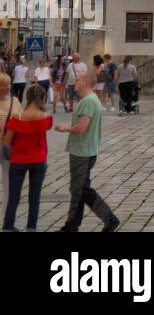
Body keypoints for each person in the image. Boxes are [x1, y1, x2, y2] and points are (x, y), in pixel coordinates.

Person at [52, 73, 120, 232]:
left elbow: (82, 128)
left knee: (80, 190)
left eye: (78, 80)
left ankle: (107, 220)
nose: (75, 82)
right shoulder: (89, 100)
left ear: (86, 82)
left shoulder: (88, 101)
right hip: (86, 149)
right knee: (80, 189)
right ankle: (74, 225)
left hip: (82, 151)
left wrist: (64, 128)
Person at [2, 83, 52, 232]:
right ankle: (31, 228)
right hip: (39, 159)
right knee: (34, 197)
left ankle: (8, 227)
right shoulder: (46, 117)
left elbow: (6, 142)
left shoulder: (17, 118)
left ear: (27, 98)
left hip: (18, 160)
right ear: (42, 99)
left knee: (13, 197)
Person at [0, 72, 21, 227]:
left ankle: (8, 220)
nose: (6, 87)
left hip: (9, 145)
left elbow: (21, 120)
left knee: (9, 183)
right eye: (2, 85)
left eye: (7, 84)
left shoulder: (15, 101)